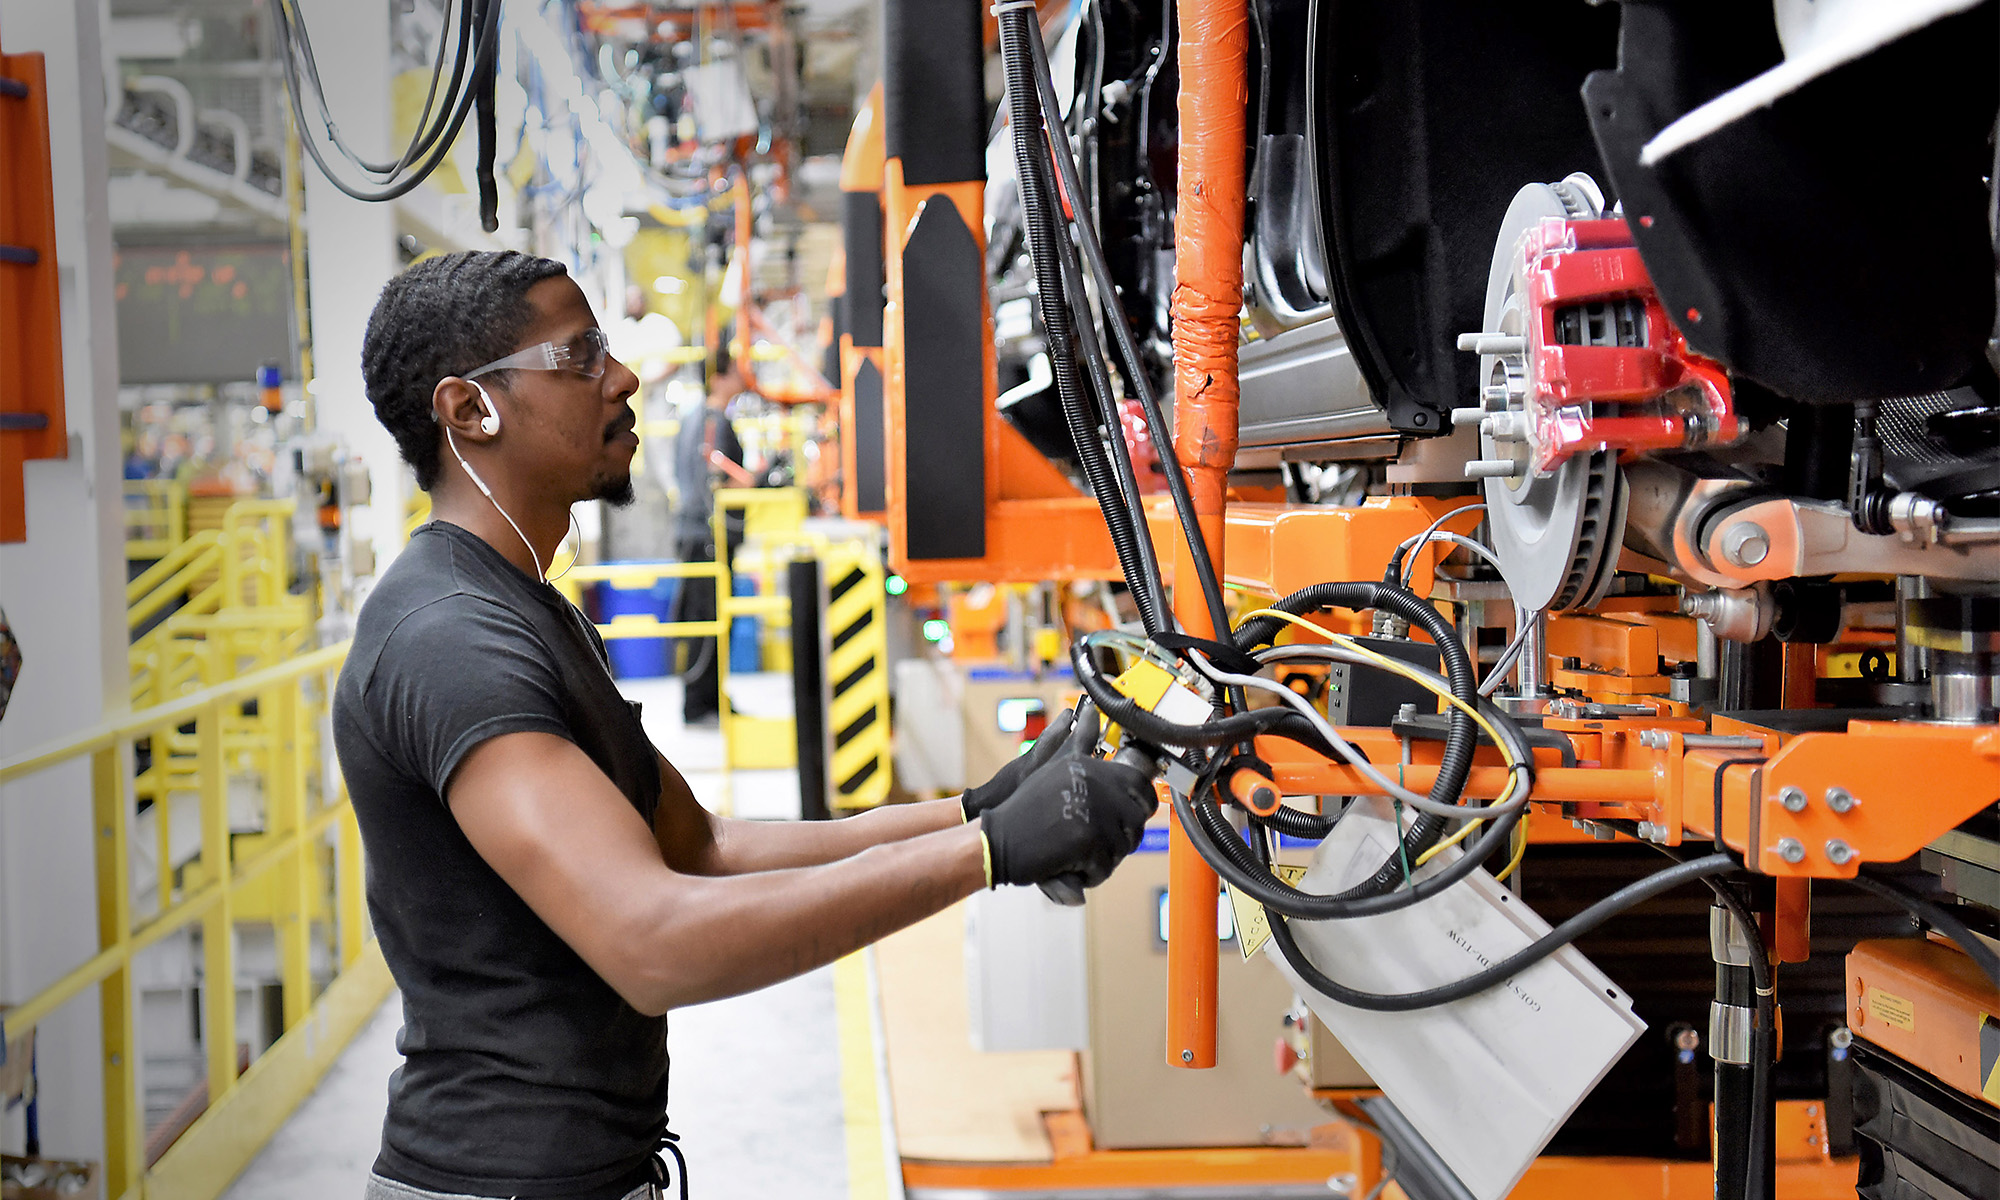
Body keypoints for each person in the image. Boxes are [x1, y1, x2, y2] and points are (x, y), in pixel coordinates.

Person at [334, 250, 1159, 1200]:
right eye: (581, 355)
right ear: (470, 410)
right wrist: (989, 857)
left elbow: (705, 849)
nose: (624, 376)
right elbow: (654, 940)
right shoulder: (448, 640)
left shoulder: (526, 607)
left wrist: (977, 811)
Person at [668, 346, 746, 724]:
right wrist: (756, 484)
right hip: (706, 536)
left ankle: (709, 700)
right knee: (707, 618)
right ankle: (700, 704)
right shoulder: (714, 422)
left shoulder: (693, 418)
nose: (742, 376)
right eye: (735, 370)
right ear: (718, 377)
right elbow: (716, 482)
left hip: (695, 533)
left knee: (704, 617)